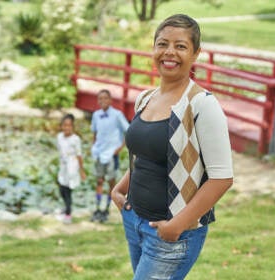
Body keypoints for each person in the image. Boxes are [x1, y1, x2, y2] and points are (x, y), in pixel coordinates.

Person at [111, 14, 233, 279]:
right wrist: (119, 190)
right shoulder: (146, 98)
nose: (169, 52)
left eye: (180, 46)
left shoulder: (201, 104)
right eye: (162, 44)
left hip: (171, 233)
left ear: (196, 53)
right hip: (135, 221)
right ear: (154, 48)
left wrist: (176, 226)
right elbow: (147, 158)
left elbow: (222, 178)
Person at [90, 89, 129, 223]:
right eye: (100, 99)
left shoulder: (117, 115)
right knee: (99, 181)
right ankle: (97, 208)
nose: (102, 101)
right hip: (99, 153)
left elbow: (128, 131)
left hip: (111, 154)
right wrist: (94, 147)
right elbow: (94, 133)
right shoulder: (96, 115)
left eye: (105, 98)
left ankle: (107, 209)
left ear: (110, 100)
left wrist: (119, 148)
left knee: (111, 182)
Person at [56, 113, 86, 224]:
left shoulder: (75, 139)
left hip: (71, 169)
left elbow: (79, 155)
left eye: (69, 125)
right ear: (61, 126)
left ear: (72, 127)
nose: (66, 128)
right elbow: (61, 151)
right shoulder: (59, 137)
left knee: (67, 191)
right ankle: (66, 207)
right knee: (61, 189)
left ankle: (68, 214)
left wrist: (82, 170)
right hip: (63, 168)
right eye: (64, 125)